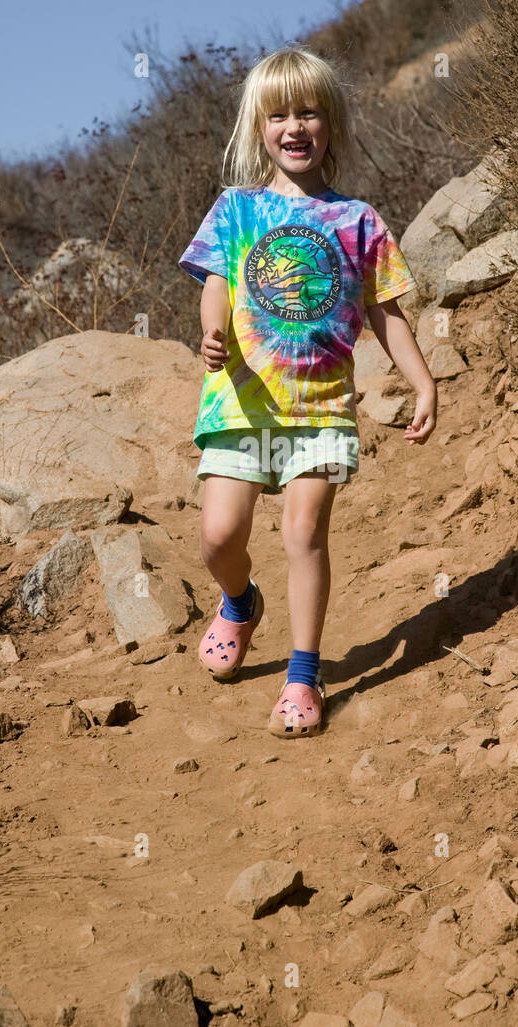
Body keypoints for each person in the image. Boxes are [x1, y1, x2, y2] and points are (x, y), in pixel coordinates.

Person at [177, 45, 436, 737]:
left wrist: (421, 379)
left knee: (302, 532)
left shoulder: (358, 221)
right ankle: (238, 603)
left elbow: (385, 309)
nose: (294, 127)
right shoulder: (236, 209)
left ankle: (303, 673)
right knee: (218, 535)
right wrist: (211, 332)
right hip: (240, 400)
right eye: (277, 115)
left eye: (309, 112)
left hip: (319, 410)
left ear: (331, 124)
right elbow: (217, 284)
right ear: (256, 128)